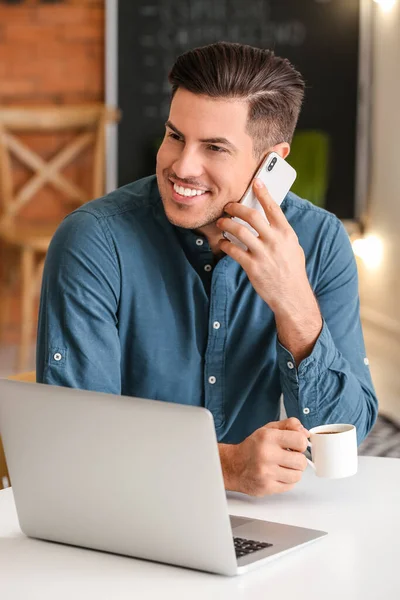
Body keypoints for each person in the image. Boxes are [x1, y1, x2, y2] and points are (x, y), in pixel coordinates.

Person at [37, 42, 378, 497]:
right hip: (125, 509)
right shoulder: (95, 241)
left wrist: (293, 302)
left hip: (267, 521)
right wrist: (224, 466)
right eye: (175, 135)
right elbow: (75, 440)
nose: (182, 166)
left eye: (215, 147)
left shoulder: (320, 241)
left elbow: (346, 437)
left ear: (272, 161)